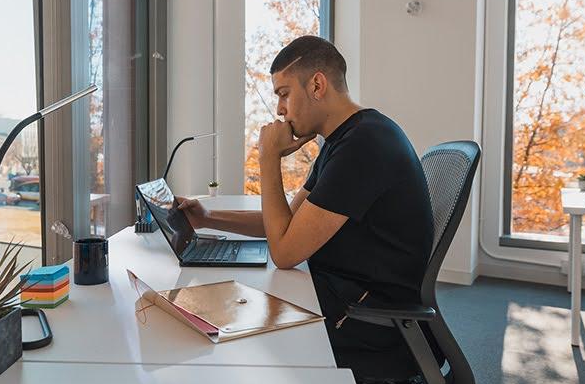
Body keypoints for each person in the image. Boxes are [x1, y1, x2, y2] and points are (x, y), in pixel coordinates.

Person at [177, 35, 434, 363]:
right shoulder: (344, 140)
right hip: (344, 293)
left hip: (371, 320)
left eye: (284, 94)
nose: (280, 111)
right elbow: (284, 225)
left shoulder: (364, 145)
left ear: (316, 85)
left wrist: (268, 159)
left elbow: (284, 252)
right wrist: (206, 218)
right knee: (227, 298)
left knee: (224, 322)